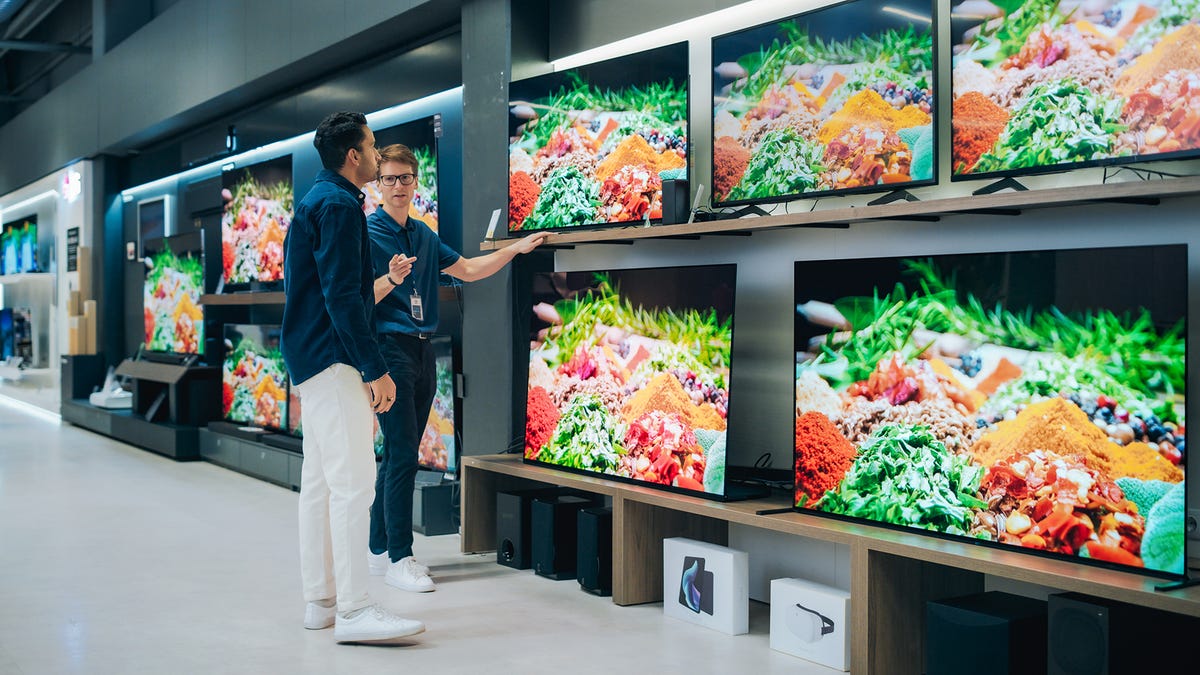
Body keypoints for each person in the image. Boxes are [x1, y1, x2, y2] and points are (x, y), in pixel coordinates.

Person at [366, 143, 548, 592]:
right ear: (377, 185)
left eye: (405, 178)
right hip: (389, 349)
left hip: (424, 349)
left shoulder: (424, 234)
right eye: (388, 179)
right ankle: (399, 556)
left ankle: (376, 549)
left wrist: (516, 249)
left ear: (414, 181)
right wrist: (391, 279)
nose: (397, 187)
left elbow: (467, 269)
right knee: (403, 451)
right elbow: (356, 299)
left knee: (399, 451)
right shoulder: (367, 234)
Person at [280, 112, 424, 643]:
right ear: (353, 157)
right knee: (354, 484)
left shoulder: (316, 199)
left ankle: (322, 600)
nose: (377, 153)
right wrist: (375, 369)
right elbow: (343, 297)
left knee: (319, 483)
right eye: (371, 146)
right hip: (335, 358)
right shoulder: (340, 205)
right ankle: (356, 609)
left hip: (308, 357)